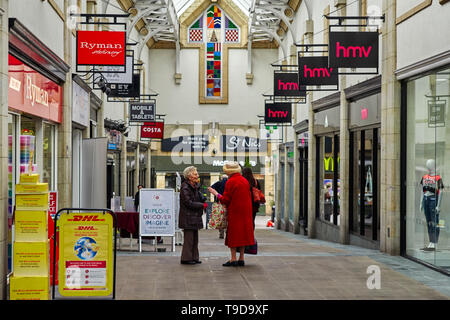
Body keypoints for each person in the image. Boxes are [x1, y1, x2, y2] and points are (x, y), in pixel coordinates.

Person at [208, 162, 254, 267]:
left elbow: (226, 200)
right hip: (246, 212)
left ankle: (233, 259)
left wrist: (216, 193)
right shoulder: (244, 181)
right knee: (242, 234)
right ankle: (241, 258)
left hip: (235, 212)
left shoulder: (230, 182)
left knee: (233, 235)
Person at [179, 166, 207, 264]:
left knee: (195, 239)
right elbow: (188, 202)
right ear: (189, 176)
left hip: (194, 216)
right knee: (189, 239)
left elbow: (197, 198)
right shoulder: (185, 187)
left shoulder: (194, 186)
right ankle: (186, 258)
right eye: (195, 174)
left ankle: (194, 257)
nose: (197, 176)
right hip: (188, 217)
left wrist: (202, 198)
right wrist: (201, 205)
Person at [210, 174, 228, 238]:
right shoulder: (229, 183)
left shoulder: (218, 183)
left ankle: (221, 233)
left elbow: (211, 188)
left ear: (221, 178)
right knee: (226, 218)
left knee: (220, 218)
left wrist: (216, 194)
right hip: (227, 203)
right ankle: (227, 232)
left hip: (219, 202)